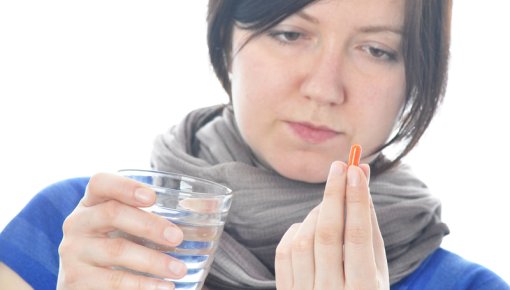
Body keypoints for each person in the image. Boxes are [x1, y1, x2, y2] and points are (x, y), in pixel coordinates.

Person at [1, 0, 509, 289]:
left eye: (377, 50)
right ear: (225, 39)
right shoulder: (81, 231)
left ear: (416, 77)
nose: (324, 88)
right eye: (289, 34)